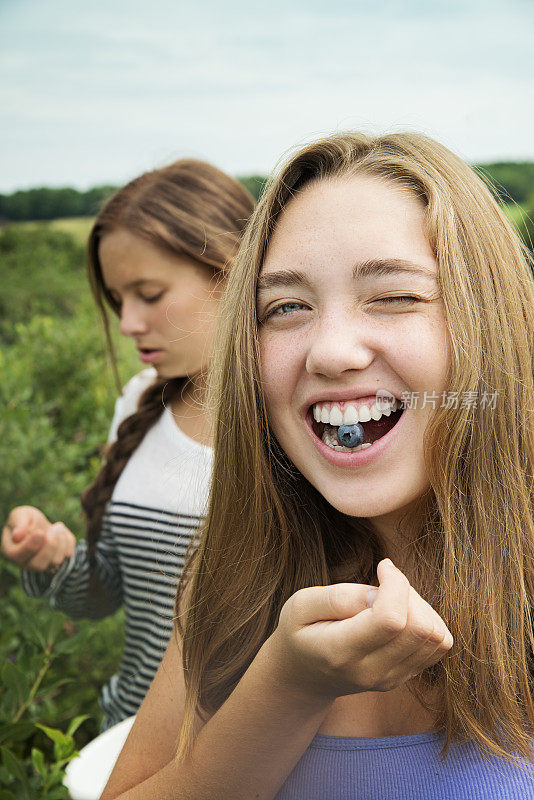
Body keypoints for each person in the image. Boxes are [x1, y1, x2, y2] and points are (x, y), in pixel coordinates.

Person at [102, 130, 534, 799]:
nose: (330, 352)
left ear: (491, 323)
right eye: (287, 307)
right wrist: (286, 687)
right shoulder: (232, 574)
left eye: (394, 295)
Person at [1, 160, 255, 730]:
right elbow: (111, 595)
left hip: (257, 765)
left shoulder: (303, 424)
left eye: (149, 293)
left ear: (233, 271)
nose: (127, 323)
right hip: (125, 744)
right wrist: (56, 560)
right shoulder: (140, 401)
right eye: (119, 299)